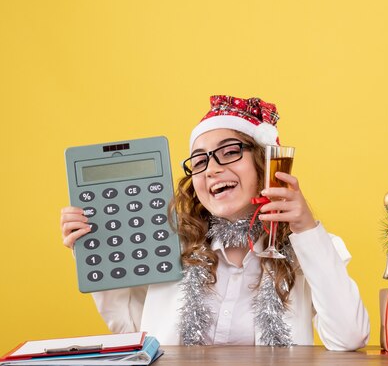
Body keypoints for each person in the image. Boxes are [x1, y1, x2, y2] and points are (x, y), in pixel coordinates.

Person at [60, 95, 370, 349]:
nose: (211, 169)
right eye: (199, 161)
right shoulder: (170, 246)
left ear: (264, 162)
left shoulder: (306, 251)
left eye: (229, 152)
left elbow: (349, 336)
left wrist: (305, 229)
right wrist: (92, 252)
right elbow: (134, 333)